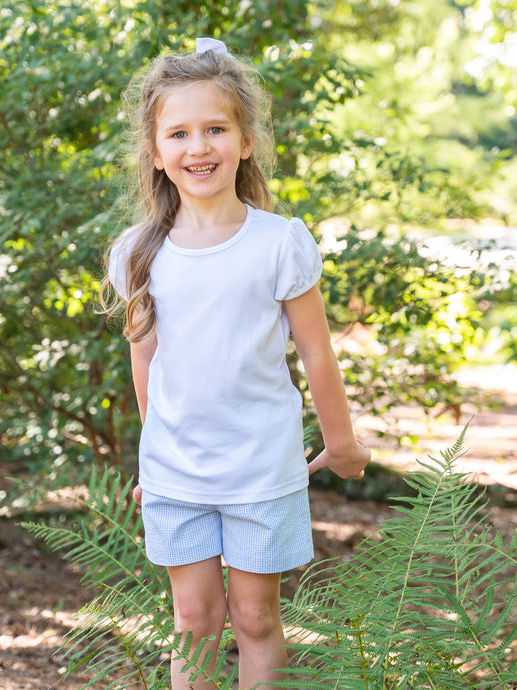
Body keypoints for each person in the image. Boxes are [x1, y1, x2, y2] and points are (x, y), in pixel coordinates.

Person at [102, 37, 371, 690]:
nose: (199, 148)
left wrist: (341, 444)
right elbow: (146, 362)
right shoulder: (139, 252)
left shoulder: (279, 243)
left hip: (261, 467)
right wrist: (153, 456)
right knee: (194, 618)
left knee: (255, 617)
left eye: (216, 129)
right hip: (178, 474)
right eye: (181, 133)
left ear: (245, 140)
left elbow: (316, 353)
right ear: (157, 152)